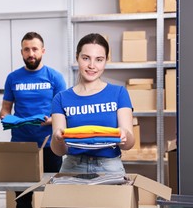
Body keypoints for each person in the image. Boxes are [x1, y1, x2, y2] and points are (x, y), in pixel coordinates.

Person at [0, 32, 66, 208]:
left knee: (54, 193)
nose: (31, 53)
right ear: (21, 52)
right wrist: (6, 117)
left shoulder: (55, 77)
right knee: (22, 197)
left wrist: (50, 120)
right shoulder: (13, 78)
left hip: (50, 145)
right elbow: (5, 109)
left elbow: (64, 112)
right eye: (27, 49)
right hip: (21, 147)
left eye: (35, 49)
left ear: (42, 51)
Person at [51, 33, 134, 175]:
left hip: (109, 167)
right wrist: (57, 138)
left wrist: (124, 135)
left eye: (99, 60)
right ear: (77, 57)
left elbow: (129, 143)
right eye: (85, 58)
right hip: (73, 166)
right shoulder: (61, 98)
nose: (91, 65)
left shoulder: (119, 93)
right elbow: (59, 151)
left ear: (106, 61)